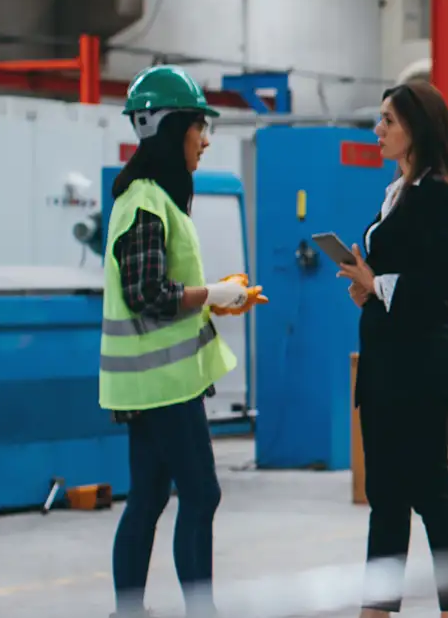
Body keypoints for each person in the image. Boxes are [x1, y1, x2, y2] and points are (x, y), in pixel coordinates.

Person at [100, 65, 263, 618]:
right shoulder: (146, 202)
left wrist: (216, 298)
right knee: (201, 494)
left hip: (152, 383)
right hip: (164, 385)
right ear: (172, 129)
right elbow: (146, 292)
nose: (205, 140)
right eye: (199, 126)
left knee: (149, 498)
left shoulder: (153, 199)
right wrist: (211, 293)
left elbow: (158, 289)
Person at [334, 80, 448, 617]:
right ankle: (376, 609)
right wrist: (367, 288)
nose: (378, 130)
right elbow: (400, 274)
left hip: (417, 366)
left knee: (431, 492)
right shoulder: (398, 190)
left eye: (388, 121)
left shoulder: (437, 192)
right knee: (387, 496)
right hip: (386, 364)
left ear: (416, 129)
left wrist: (378, 285)